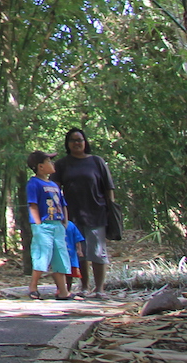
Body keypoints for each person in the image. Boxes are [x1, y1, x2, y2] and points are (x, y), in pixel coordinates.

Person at [54, 127, 118, 299]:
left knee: (97, 252)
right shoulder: (61, 164)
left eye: (80, 140)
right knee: (79, 252)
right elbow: (54, 189)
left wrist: (111, 208)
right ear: (68, 144)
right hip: (72, 214)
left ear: (85, 142)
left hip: (96, 211)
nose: (77, 143)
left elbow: (108, 187)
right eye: (73, 140)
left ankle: (99, 289)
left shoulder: (97, 162)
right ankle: (84, 287)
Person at [25, 150, 71, 300]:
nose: (52, 164)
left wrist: (65, 221)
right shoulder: (34, 183)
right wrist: (37, 224)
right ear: (40, 166)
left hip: (57, 224)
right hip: (44, 225)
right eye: (49, 161)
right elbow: (33, 204)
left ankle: (63, 290)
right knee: (42, 255)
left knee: (60, 256)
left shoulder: (54, 185)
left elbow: (63, 204)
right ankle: (33, 286)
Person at [64, 218, 86, 296]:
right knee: (60, 272)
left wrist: (79, 250)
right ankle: (60, 289)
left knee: (70, 273)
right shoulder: (55, 225)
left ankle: (68, 289)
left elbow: (78, 239)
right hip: (60, 254)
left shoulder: (71, 225)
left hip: (71, 254)